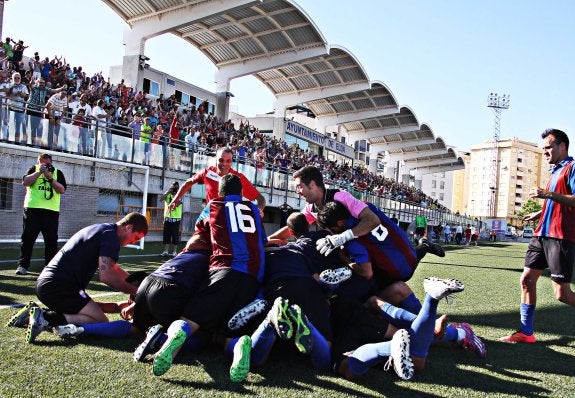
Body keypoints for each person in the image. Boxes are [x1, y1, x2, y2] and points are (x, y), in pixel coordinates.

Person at [145, 174, 267, 379]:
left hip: (223, 269)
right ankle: (239, 348)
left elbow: (197, 237)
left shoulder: (213, 205)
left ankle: (172, 341)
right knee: (228, 333)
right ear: (241, 193)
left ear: (220, 192)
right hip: (254, 277)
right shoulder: (254, 209)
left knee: (189, 320)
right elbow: (262, 241)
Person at [13, 212, 148, 343]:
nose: (133, 242)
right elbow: (107, 276)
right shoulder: (111, 236)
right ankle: (45, 316)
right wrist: (137, 292)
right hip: (61, 286)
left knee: (89, 309)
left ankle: (31, 314)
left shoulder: (102, 229)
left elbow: (115, 269)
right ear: (128, 227)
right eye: (135, 238)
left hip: (49, 283)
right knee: (101, 322)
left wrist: (137, 287)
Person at [501, 129, 575, 344]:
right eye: (543, 148)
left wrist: (547, 194)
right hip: (541, 234)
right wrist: (541, 212)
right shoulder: (554, 171)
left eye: (548, 147)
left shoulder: (571, 168)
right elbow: (557, 202)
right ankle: (526, 332)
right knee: (526, 280)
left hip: (561, 236)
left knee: (562, 294)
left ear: (562, 146)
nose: (545, 152)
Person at [168, 146, 266, 216]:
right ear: (216, 160)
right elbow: (189, 182)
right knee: (193, 244)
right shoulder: (208, 172)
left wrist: (259, 210)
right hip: (210, 218)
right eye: (221, 160)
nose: (224, 164)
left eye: (228, 161)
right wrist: (175, 199)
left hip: (229, 223)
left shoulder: (238, 178)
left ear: (232, 161)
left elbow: (261, 199)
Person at [15, 153, 67, 275]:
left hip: (51, 212)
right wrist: (39, 172)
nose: (45, 166)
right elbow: (25, 182)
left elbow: (62, 189)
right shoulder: (33, 169)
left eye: (47, 164)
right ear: (38, 162)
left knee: (51, 241)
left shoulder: (57, 172)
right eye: (42, 163)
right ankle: (23, 265)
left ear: (51, 163)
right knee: (27, 238)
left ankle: (50, 267)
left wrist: (50, 178)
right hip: (32, 210)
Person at [160, 181, 182, 257]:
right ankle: (165, 251)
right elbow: (161, 199)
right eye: (173, 187)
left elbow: (179, 203)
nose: (174, 189)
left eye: (176, 187)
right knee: (166, 235)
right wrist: (168, 192)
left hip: (176, 219)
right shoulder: (168, 193)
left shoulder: (179, 194)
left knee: (175, 236)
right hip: (167, 218)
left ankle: (174, 252)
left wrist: (175, 195)